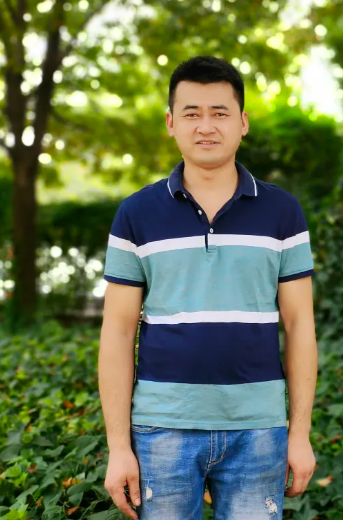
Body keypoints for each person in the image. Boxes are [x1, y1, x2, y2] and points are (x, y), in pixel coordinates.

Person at [98, 55, 318, 519]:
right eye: (191, 113)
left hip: (259, 429)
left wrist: (299, 434)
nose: (206, 126)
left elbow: (300, 325)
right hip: (162, 428)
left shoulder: (283, 212)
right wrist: (118, 448)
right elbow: (117, 331)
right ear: (171, 123)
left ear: (243, 123)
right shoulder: (136, 214)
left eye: (219, 113)